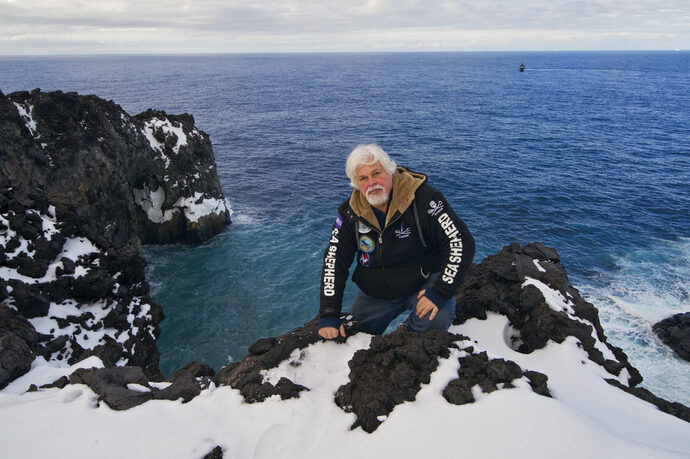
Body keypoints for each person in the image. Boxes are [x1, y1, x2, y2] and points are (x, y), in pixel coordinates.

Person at [318, 144, 475, 339]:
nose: (372, 182)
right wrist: (328, 312)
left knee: (436, 321)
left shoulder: (425, 199)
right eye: (363, 178)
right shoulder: (349, 214)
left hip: (423, 283)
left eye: (376, 173)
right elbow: (334, 261)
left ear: (390, 171)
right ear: (356, 184)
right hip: (376, 293)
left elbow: (460, 241)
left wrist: (441, 292)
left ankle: (406, 337)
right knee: (347, 336)